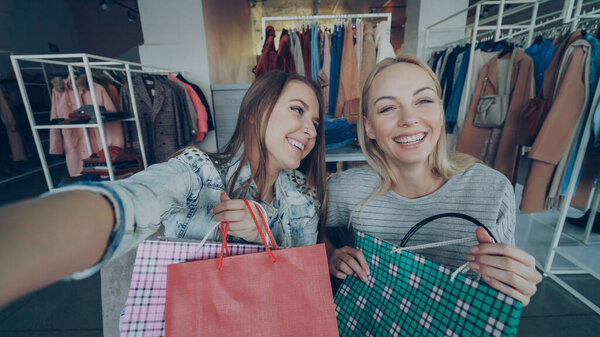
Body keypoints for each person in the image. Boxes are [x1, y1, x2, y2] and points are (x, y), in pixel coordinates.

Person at [0, 71, 326, 307]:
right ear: (255, 112)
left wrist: (266, 236)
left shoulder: (304, 198)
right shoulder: (197, 171)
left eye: (315, 121)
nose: (310, 129)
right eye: (298, 110)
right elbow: (133, 201)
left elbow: (301, 284)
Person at [324, 56, 542, 306]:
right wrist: (331, 254)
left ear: (440, 110)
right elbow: (310, 237)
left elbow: (504, 288)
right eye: (387, 108)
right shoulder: (345, 190)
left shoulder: (490, 189)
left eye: (424, 101)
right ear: (369, 127)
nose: (409, 118)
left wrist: (515, 284)